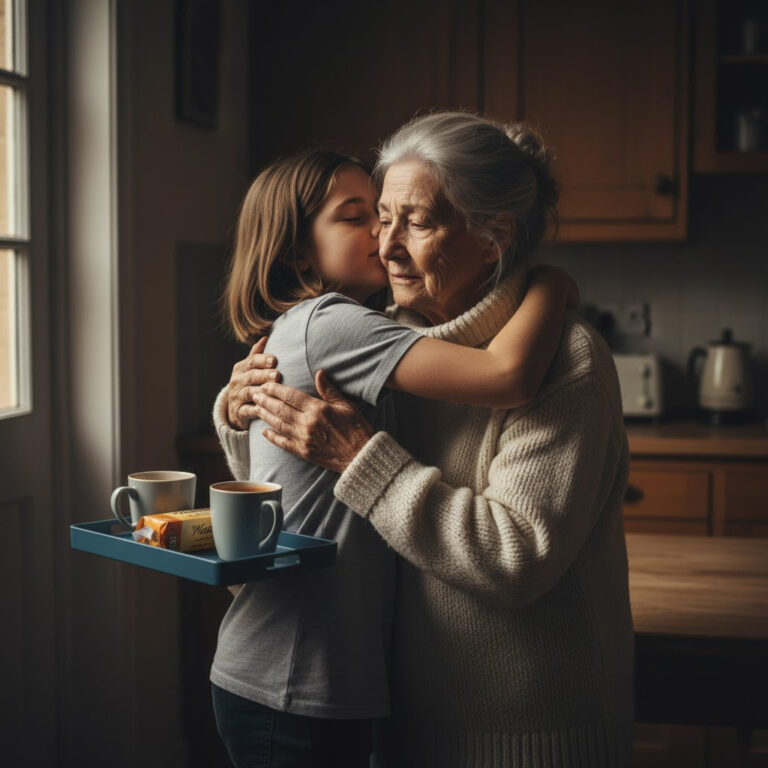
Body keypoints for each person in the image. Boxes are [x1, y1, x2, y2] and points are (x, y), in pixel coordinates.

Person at [217, 112, 634, 768]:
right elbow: (301, 502)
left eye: (414, 221)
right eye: (378, 218)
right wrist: (240, 411)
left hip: (523, 741)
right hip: (392, 725)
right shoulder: (377, 335)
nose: (385, 245)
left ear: (493, 237)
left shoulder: (568, 359)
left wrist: (363, 460)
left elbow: (514, 557)